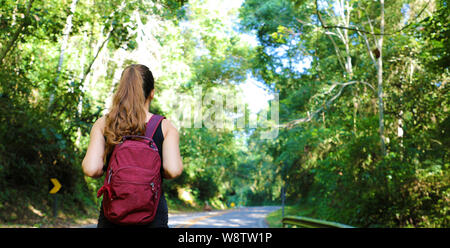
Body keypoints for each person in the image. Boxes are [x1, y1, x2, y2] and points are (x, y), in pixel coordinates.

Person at [82, 64, 183, 228]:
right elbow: (173, 169)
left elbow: (91, 169)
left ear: (122, 91)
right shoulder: (165, 127)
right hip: (152, 215)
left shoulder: (104, 124)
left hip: (113, 215)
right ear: (152, 93)